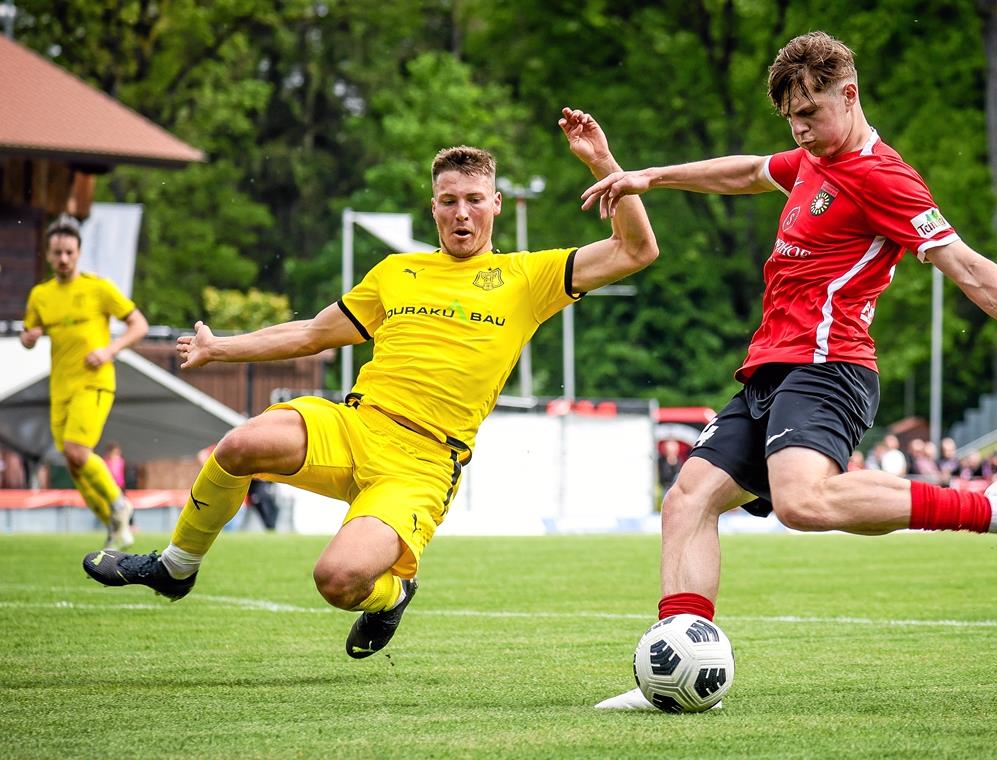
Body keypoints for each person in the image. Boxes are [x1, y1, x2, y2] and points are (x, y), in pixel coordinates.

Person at [582, 32, 997, 710]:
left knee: (801, 503)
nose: (801, 130)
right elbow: (744, 173)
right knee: (687, 500)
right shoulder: (810, 162)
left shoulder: (884, 177)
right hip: (769, 371)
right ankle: (672, 669)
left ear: (848, 95)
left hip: (832, 367)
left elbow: (967, 266)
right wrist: (651, 176)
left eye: (811, 113)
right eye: (791, 119)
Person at [82, 107, 659, 658]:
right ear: (433, 207)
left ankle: (394, 594)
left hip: (422, 464)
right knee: (241, 444)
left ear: (497, 205)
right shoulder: (396, 272)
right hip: (356, 423)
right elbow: (313, 333)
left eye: (474, 201)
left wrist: (605, 164)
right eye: (449, 201)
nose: (462, 213)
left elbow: (637, 249)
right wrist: (218, 348)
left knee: (336, 581)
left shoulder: (527, 276)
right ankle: (176, 568)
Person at [21, 217, 148, 549]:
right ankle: (115, 528)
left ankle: (120, 505)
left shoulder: (98, 288)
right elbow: (28, 334)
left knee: (78, 451)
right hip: (59, 388)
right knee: (75, 465)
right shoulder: (41, 295)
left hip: (94, 383)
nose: (63, 259)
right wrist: (29, 337)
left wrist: (109, 350)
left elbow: (139, 325)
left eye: (69, 252)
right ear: (48, 255)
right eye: (57, 253)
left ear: (78, 253)